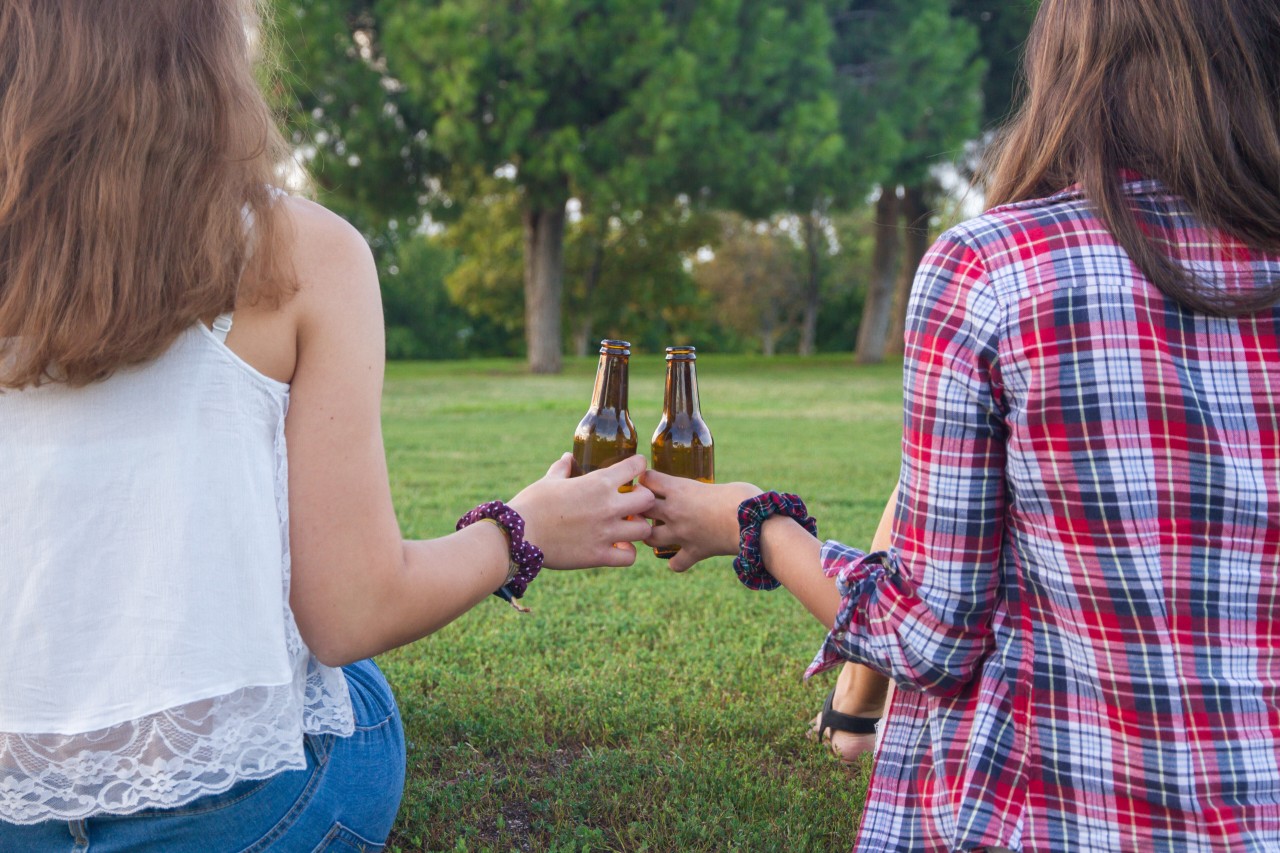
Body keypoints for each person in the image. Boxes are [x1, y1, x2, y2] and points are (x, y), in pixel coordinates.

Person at [0, 1, 653, 849]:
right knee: (349, 682)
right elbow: (347, 613)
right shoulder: (302, 252)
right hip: (244, 815)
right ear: (206, 54)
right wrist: (522, 528)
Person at [643, 0, 1280, 849]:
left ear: (1071, 66)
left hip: (1047, 813)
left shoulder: (993, 268)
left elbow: (930, 633)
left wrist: (752, 521)